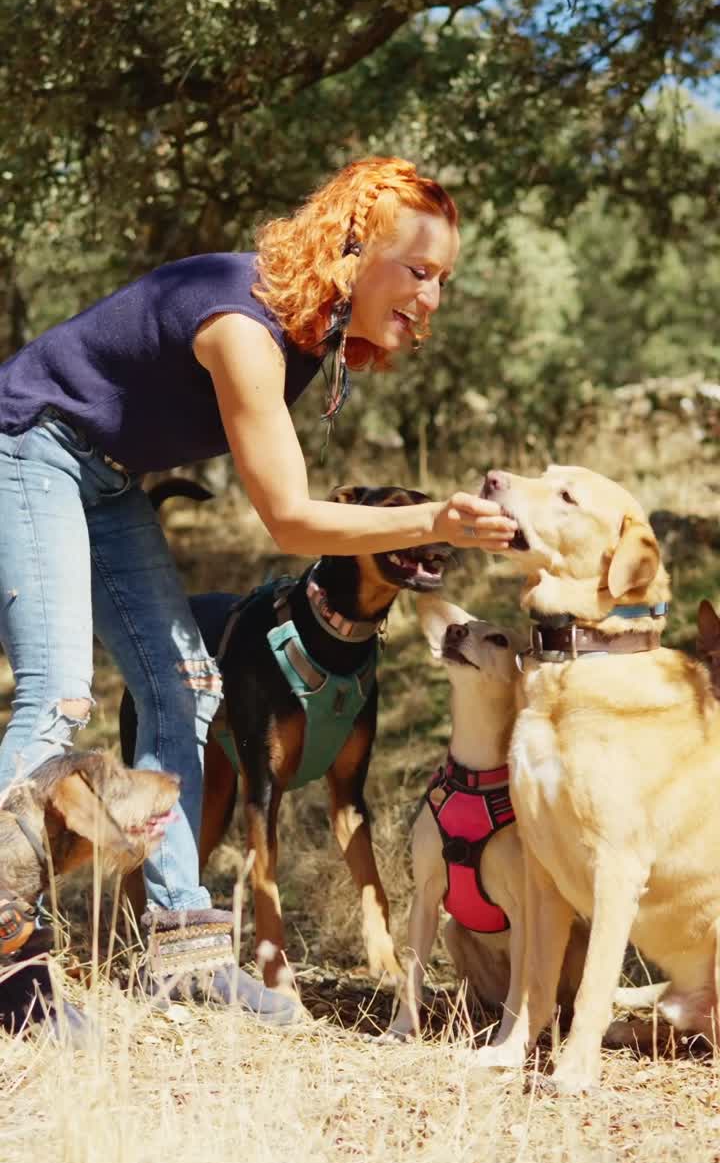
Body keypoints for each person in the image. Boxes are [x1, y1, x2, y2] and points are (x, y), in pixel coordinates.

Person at [0, 156, 516, 1016]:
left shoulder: (308, 339)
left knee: (185, 685)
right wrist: (433, 521)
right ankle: (11, 965)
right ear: (352, 252)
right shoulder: (242, 324)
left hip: (108, 476)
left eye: (443, 280)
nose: (431, 299)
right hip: (28, 448)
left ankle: (183, 954)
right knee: (56, 697)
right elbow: (290, 521)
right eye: (418, 272)